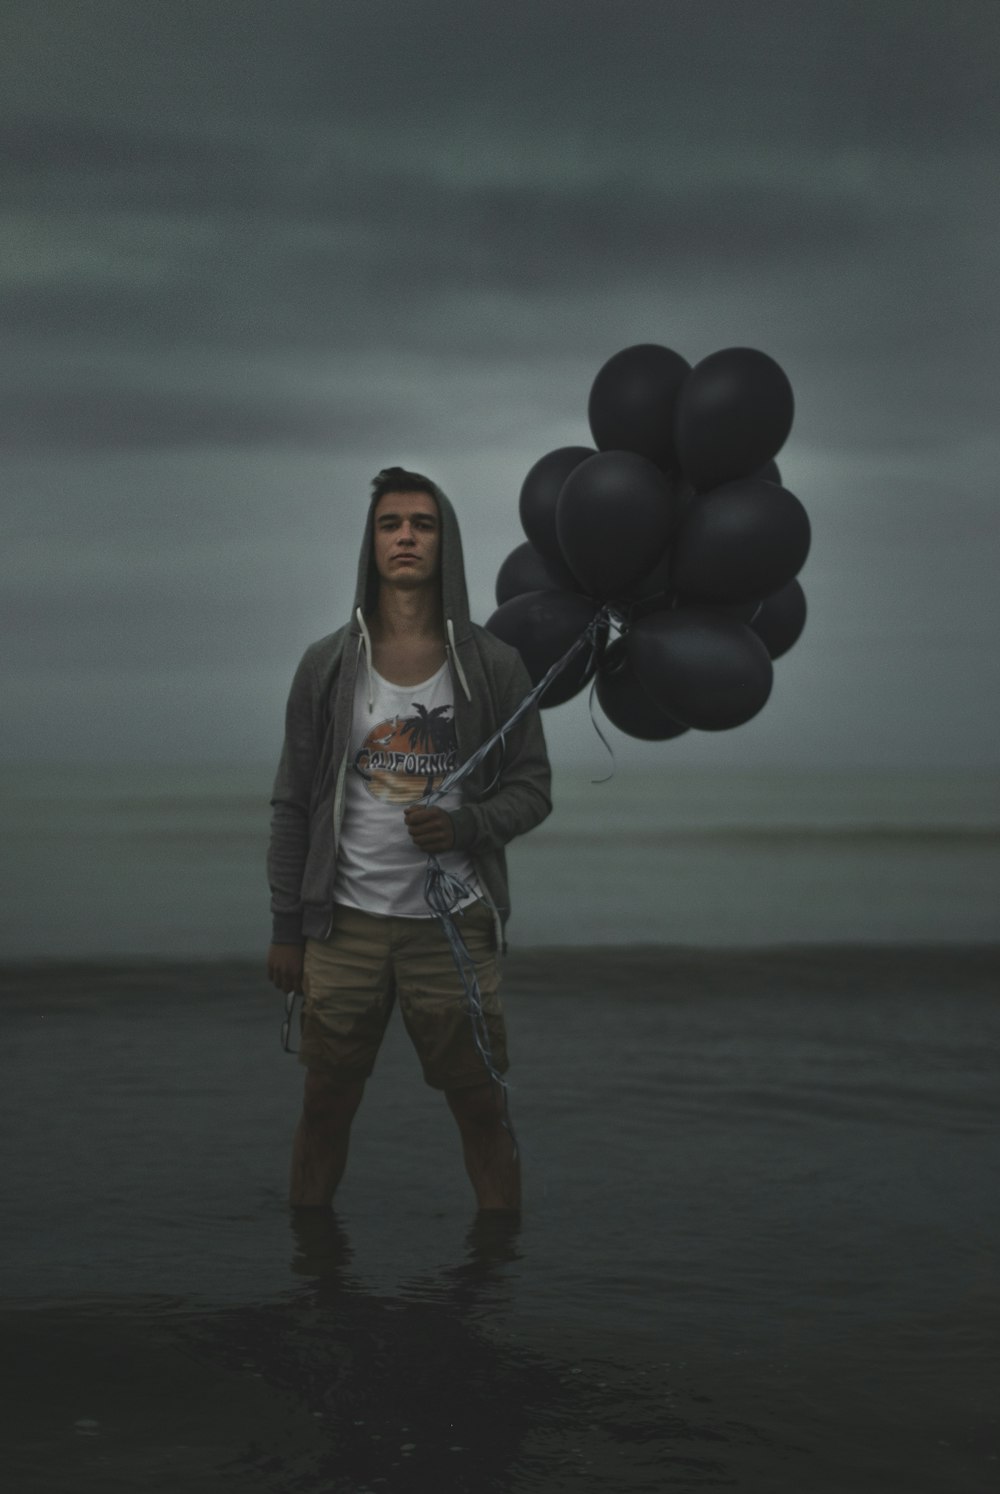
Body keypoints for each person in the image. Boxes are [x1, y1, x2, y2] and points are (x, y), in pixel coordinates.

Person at [266, 466, 552, 1213]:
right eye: (391, 523)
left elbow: (533, 787)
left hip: (452, 926)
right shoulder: (326, 665)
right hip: (344, 926)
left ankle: (494, 1284)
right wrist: (286, 926)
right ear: (372, 542)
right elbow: (293, 803)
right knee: (325, 1104)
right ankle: (312, 1271)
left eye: (422, 524)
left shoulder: (492, 666)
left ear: (444, 541)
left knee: (481, 1110)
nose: (405, 537)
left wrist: (467, 825)